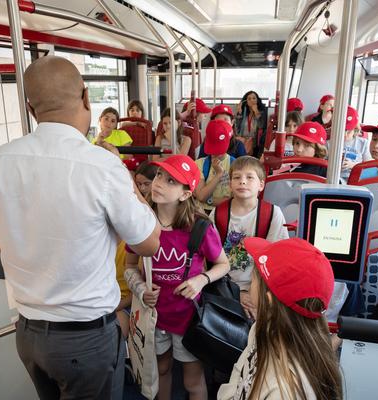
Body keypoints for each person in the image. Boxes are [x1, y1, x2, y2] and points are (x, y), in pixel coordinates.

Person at [0, 55, 160, 400]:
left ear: (31, 109)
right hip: (85, 340)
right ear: (87, 98)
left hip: (29, 334)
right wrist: (127, 180)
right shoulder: (102, 166)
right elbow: (149, 242)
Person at [125, 155, 230, 400]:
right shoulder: (141, 224)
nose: (159, 183)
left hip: (189, 318)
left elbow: (223, 264)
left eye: (171, 181)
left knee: (192, 380)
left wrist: (201, 279)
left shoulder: (200, 226)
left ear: (185, 194)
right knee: (162, 370)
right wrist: (140, 288)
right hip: (155, 317)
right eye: (160, 176)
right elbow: (129, 266)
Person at [218, 237, 343, 400]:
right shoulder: (262, 327)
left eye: (254, 277)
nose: (249, 283)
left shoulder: (285, 391)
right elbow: (240, 372)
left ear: (268, 301)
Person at [209, 156, 289, 319]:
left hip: (261, 289)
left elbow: (277, 260)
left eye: (249, 177)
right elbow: (210, 259)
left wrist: (254, 294)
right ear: (230, 184)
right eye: (236, 177)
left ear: (261, 184)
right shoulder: (217, 214)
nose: (242, 182)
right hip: (226, 288)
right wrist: (237, 293)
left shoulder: (272, 214)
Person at [115, 161, 159, 338]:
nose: (141, 188)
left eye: (146, 184)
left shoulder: (138, 234)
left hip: (129, 300)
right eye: (138, 184)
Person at [194, 120, 235, 213]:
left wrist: (209, 201)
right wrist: (219, 174)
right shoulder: (199, 164)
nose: (215, 153)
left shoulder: (235, 164)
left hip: (226, 212)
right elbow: (201, 196)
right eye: (212, 148)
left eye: (219, 149)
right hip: (202, 213)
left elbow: (234, 199)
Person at [336, 106, 372, 181]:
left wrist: (353, 165)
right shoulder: (329, 143)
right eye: (342, 131)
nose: (345, 135)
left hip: (356, 177)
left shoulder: (363, 143)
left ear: (355, 130)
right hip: (335, 177)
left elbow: (368, 165)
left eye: (349, 131)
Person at [235, 91, 268, 157]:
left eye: (254, 98)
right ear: (246, 101)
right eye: (249, 99)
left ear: (257, 100)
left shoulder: (262, 112)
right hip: (243, 141)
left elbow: (262, 126)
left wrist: (256, 112)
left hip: (255, 144)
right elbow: (237, 130)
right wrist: (239, 114)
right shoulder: (244, 112)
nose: (251, 100)